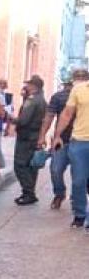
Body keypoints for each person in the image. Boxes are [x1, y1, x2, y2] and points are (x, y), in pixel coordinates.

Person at [51, 67, 89, 229]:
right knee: (79, 180)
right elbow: (67, 114)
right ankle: (79, 214)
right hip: (80, 141)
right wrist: (57, 135)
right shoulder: (79, 90)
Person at [11, 75, 47, 205]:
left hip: (26, 136)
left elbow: (24, 120)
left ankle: (28, 192)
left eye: (28, 85)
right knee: (31, 166)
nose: (25, 87)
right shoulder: (41, 99)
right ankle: (29, 191)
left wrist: (11, 119)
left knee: (20, 165)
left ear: (33, 86)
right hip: (34, 135)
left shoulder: (32, 100)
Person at [45, 76, 77, 210]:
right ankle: (59, 193)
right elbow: (49, 116)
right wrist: (44, 135)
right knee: (55, 169)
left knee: (79, 173)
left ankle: (76, 198)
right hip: (62, 139)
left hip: (79, 139)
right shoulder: (58, 97)